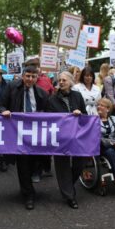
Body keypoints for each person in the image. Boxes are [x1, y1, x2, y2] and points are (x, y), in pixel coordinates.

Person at [0, 65, 48, 210]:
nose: (30, 79)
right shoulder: (12, 87)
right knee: (23, 163)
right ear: (23, 75)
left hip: (35, 133)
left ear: (37, 77)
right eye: (27, 76)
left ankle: (28, 187)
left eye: (33, 77)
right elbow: (0, 104)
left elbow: (49, 111)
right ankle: (28, 195)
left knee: (33, 163)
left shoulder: (41, 93)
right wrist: (4, 110)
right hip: (17, 132)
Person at [45, 71, 87, 209]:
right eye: (59, 80)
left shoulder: (77, 96)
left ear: (70, 82)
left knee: (79, 163)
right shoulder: (52, 99)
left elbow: (85, 115)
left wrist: (79, 114)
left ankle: (67, 185)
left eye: (64, 80)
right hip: (60, 137)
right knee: (62, 166)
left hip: (76, 136)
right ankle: (70, 196)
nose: (61, 82)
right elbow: (49, 118)